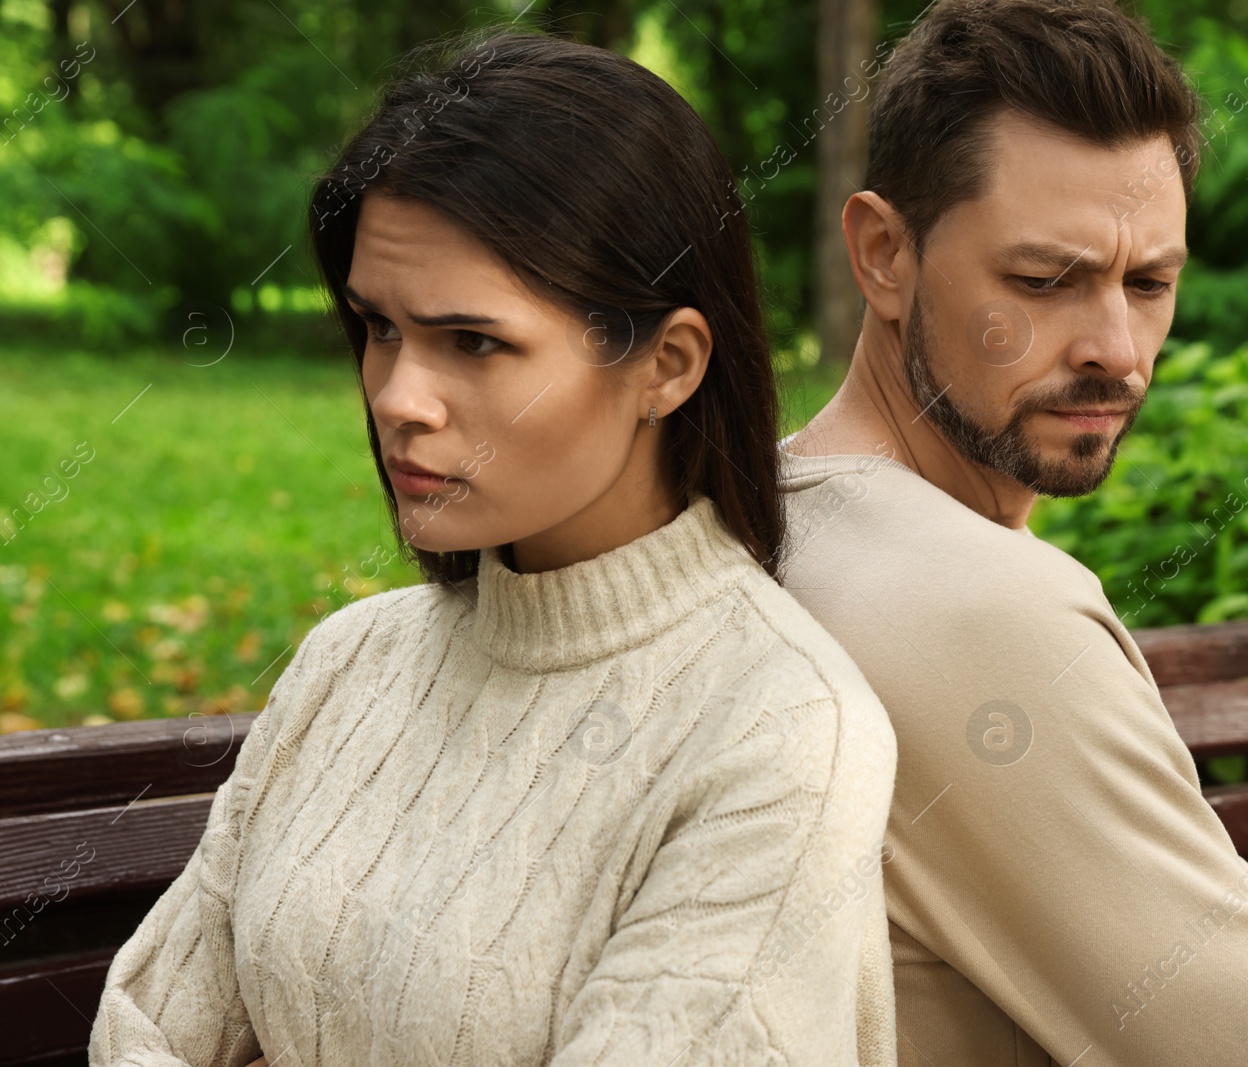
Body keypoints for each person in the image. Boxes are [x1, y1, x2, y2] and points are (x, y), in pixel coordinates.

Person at [89, 30, 898, 1067]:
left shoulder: (781, 733)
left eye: (473, 341)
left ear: (669, 362)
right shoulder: (349, 661)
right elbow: (143, 1026)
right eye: (378, 326)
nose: (395, 398)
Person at [777, 1, 1248, 1064]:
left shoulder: (767, 510)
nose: (1117, 350)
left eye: (1149, 283)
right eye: (1045, 281)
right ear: (881, 253)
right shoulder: (978, 604)